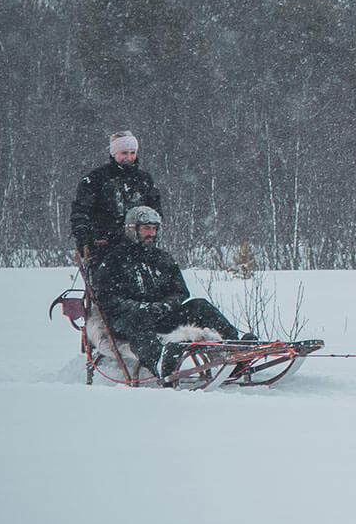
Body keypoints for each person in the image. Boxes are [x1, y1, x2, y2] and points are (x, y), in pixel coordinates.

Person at [90, 205, 250, 379]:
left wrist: (165, 305)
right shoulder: (114, 260)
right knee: (138, 320)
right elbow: (106, 298)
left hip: (161, 316)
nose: (151, 233)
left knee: (200, 306)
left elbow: (180, 291)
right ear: (132, 230)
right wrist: (140, 307)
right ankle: (159, 364)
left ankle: (236, 350)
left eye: (154, 229)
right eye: (146, 229)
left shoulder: (162, 258)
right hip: (127, 320)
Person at [70, 129, 162, 267]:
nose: (129, 157)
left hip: (139, 248)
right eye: (124, 153)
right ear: (114, 153)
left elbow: (155, 212)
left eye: (133, 152)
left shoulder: (144, 180)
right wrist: (85, 240)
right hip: (104, 247)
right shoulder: (96, 179)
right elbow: (81, 212)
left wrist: (151, 235)